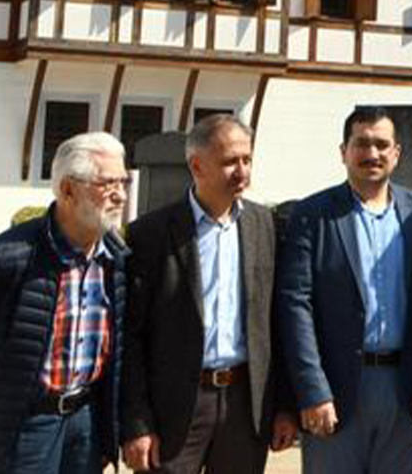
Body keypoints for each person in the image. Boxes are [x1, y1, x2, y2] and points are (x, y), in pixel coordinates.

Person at [0, 132, 130, 474]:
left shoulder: (116, 261)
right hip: (21, 426)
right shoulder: (6, 258)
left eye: (124, 181)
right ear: (68, 190)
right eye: (106, 183)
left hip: (84, 422)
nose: (120, 195)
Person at [121, 114, 294, 474]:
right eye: (231, 161)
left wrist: (284, 406)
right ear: (197, 165)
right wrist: (137, 424)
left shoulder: (265, 226)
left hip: (245, 406)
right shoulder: (150, 235)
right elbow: (131, 338)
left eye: (247, 160)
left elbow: (276, 323)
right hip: (174, 408)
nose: (242, 171)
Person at [275, 107, 412, 474]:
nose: (372, 153)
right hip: (334, 388)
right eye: (362, 143)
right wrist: (312, 389)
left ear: (397, 153)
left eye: (382, 144)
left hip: (405, 388)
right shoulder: (313, 216)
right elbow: (295, 305)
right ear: (343, 151)